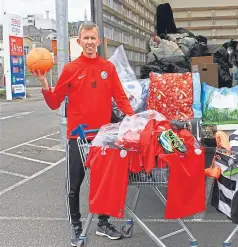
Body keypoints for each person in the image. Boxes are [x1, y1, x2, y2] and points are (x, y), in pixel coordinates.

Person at [32, 21, 135, 246]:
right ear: (79, 42)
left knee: (103, 184)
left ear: (99, 41)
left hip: (103, 137)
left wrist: (132, 119)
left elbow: (120, 97)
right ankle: (76, 226)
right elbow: (54, 102)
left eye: (93, 38)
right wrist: (43, 84)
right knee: (74, 185)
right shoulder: (70, 69)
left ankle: (102, 223)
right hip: (77, 138)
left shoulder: (108, 68)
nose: (89, 42)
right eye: (85, 38)